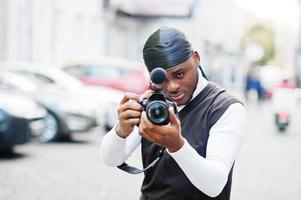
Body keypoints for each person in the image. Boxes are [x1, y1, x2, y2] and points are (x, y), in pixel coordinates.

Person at [100, 27, 246, 200]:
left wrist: (176, 145)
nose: (172, 87)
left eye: (180, 74)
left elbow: (214, 185)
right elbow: (110, 159)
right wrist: (121, 131)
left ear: (196, 58)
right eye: (162, 80)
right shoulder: (152, 103)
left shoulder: (225, 107)